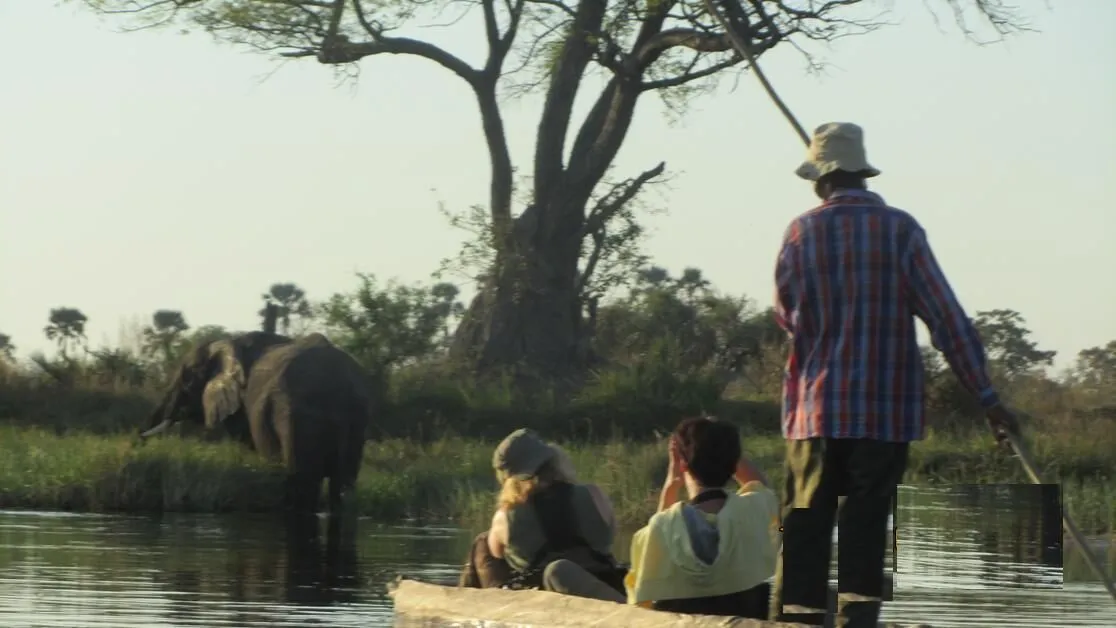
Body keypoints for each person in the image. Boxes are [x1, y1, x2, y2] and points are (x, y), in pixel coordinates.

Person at [770, 122, 1021, 628]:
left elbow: (786, 315)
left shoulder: (800, 232)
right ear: (862, 174)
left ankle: (797, 620)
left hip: (815, 412)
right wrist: (988, 398)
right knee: (866, 520)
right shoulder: (901, 229)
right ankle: (858, 620)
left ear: (820, 180)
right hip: (884, 412)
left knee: (806, 519)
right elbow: (947, 320)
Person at [625, 416, 779, 618]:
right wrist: (726, 450)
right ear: (734, 463)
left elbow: (639, 602)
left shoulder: (659, 528)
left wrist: (672, 483)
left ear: (681, 462)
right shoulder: (755, 509)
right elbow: (761, 486)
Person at [457, 428, 626, 602]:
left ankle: (462, 604)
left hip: (542, 596)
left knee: (482, 542)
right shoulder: (594, 494)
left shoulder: (505, 516)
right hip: (605, 582)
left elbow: (497, 554)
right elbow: (611, 534)